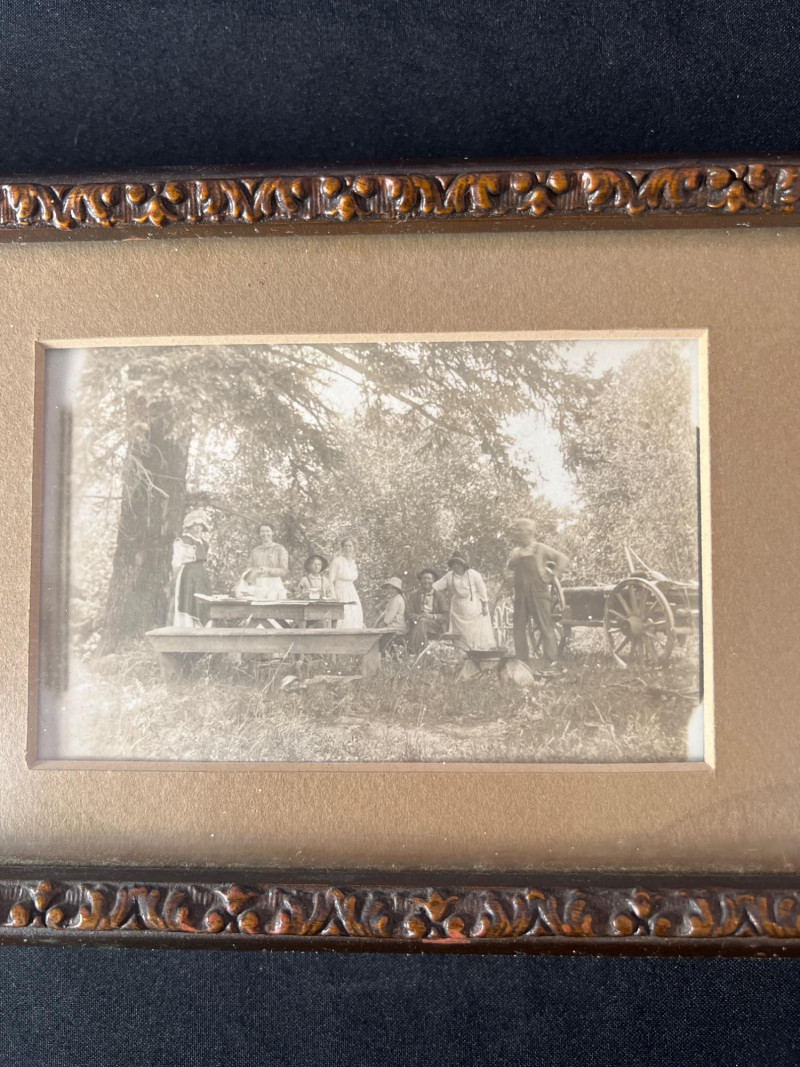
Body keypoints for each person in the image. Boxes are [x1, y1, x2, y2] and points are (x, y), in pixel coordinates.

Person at [506, 518, 569, 665]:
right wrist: (509, 576)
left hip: (538, 593)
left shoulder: (540, 548)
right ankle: (522, 659)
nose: (516, 533)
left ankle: (551, 660)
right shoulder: (515, 553)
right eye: (515, 530)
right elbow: (508, 569)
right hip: (520, 595)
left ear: (530, 532)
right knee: (518, 627)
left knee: (545, 626)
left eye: (519, 530)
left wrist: (552, 575)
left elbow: (563, 559)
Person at [432, 554, 495, 652]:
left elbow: (482, 590)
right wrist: (427, 588)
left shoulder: (473, 574)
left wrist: (484, 606)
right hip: (457, 609)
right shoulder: (449, 576)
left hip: (474, 606)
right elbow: (437, 586)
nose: (456, 566)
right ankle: (461, 652)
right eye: (454, 564)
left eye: (458, 563)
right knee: (460, 634)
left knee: (474, 632)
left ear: (463, 564)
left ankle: (477, 651)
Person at [171, 509, 213, 627]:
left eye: (200, 525)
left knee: (202, 602)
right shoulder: (182, 541)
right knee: (188, 601)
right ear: (189, 526)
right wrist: (174, 578)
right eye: (195, 525)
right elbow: (177, 562)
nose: (198, 528)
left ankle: (201, 629)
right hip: (188, 575)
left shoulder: (203, 543)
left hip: (201, 576)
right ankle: (187, 628)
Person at [236, 522, 289, 600]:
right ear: (259, 534)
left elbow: (283, 570)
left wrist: (268, 570)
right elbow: (249, 570)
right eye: (262, 531)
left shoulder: (280, 549)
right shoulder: (255, 550)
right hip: (259, 586)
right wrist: (254, 573)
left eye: (267, 531)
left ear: (273, 533)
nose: (265, 534)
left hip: (274, 585)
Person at [406, 567, 449, 654]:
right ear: (420, 581)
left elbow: (445, 616)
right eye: (424, 578)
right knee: (422, 622)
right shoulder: (414, 595)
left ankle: (412, 651)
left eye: (429, 578)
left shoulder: (439, 596)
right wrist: (419, 617)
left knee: (423, 622)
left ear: (433, 580)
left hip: (435, 625)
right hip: (418, 623)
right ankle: (421, 654)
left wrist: (432, 616)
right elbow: (408, 613)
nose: (426, 581)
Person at [328, 536, 364, 628]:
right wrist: (334, 597)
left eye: (350, 546)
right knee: (342, 617)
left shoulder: (353, 563)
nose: (347, 548)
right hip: (340, 592)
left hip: (351, 592)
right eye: (345, 546)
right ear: (342, 548)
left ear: (354, 548)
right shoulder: (337, 562)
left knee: (354, 615)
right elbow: (330, 581)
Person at [375, 576, 409, 654]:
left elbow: (387, 620)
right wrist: (376, 623)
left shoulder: (397, 600)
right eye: (389, 588)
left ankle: (380, 654)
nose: (390, 590)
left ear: (397, 590)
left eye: (393, 589)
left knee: (377, 641)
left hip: (396, 627)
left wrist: (377, 628)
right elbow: (385, 613)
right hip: (393, 626)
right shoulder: (393, 598)